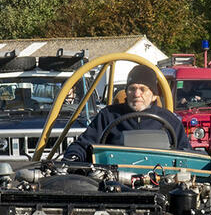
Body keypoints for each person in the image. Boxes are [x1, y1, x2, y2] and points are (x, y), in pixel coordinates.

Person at [63, 64, 191, 161]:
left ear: (153, 95)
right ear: (126, 91)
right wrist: (73, 157)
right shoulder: (108, 116)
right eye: (132, 89)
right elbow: (83, 145)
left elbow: (186, 152)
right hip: (113, 185)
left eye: (142, 89)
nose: (136, 94)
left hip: (161, 182)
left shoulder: (170, 120)